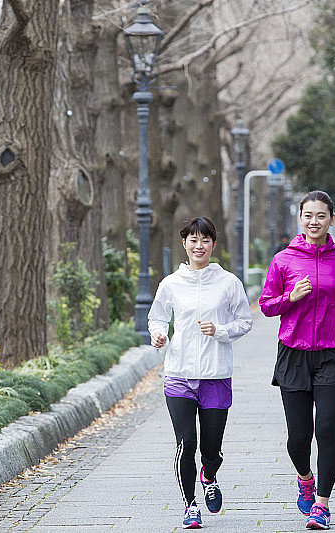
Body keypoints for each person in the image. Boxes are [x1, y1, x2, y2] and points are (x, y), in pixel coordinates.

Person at [258, 191, 335, 530]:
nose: (314, 221)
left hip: (333, 353)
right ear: (300, 218)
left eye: (321, 215)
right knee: (298, 437)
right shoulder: (283, 260)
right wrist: (290, 297)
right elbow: (266, 305)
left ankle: (322, 504)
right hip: (293, 354)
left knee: (326, 429)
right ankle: (305, 478)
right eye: (308, 215)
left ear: (331, 220)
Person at [148, 216, 253, 530]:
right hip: (179, 374)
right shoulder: (171, 284)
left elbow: (245, 321)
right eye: (193, 240)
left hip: (216, 375)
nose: (199, 246)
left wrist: (219, 330)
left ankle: (210, 474)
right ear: (184, 244)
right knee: (185, 443)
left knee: (211, 448)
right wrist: (157, 335)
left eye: (205, 240)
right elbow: (157, 318)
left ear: (213, 244)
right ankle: (190, 507)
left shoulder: (228, 283)